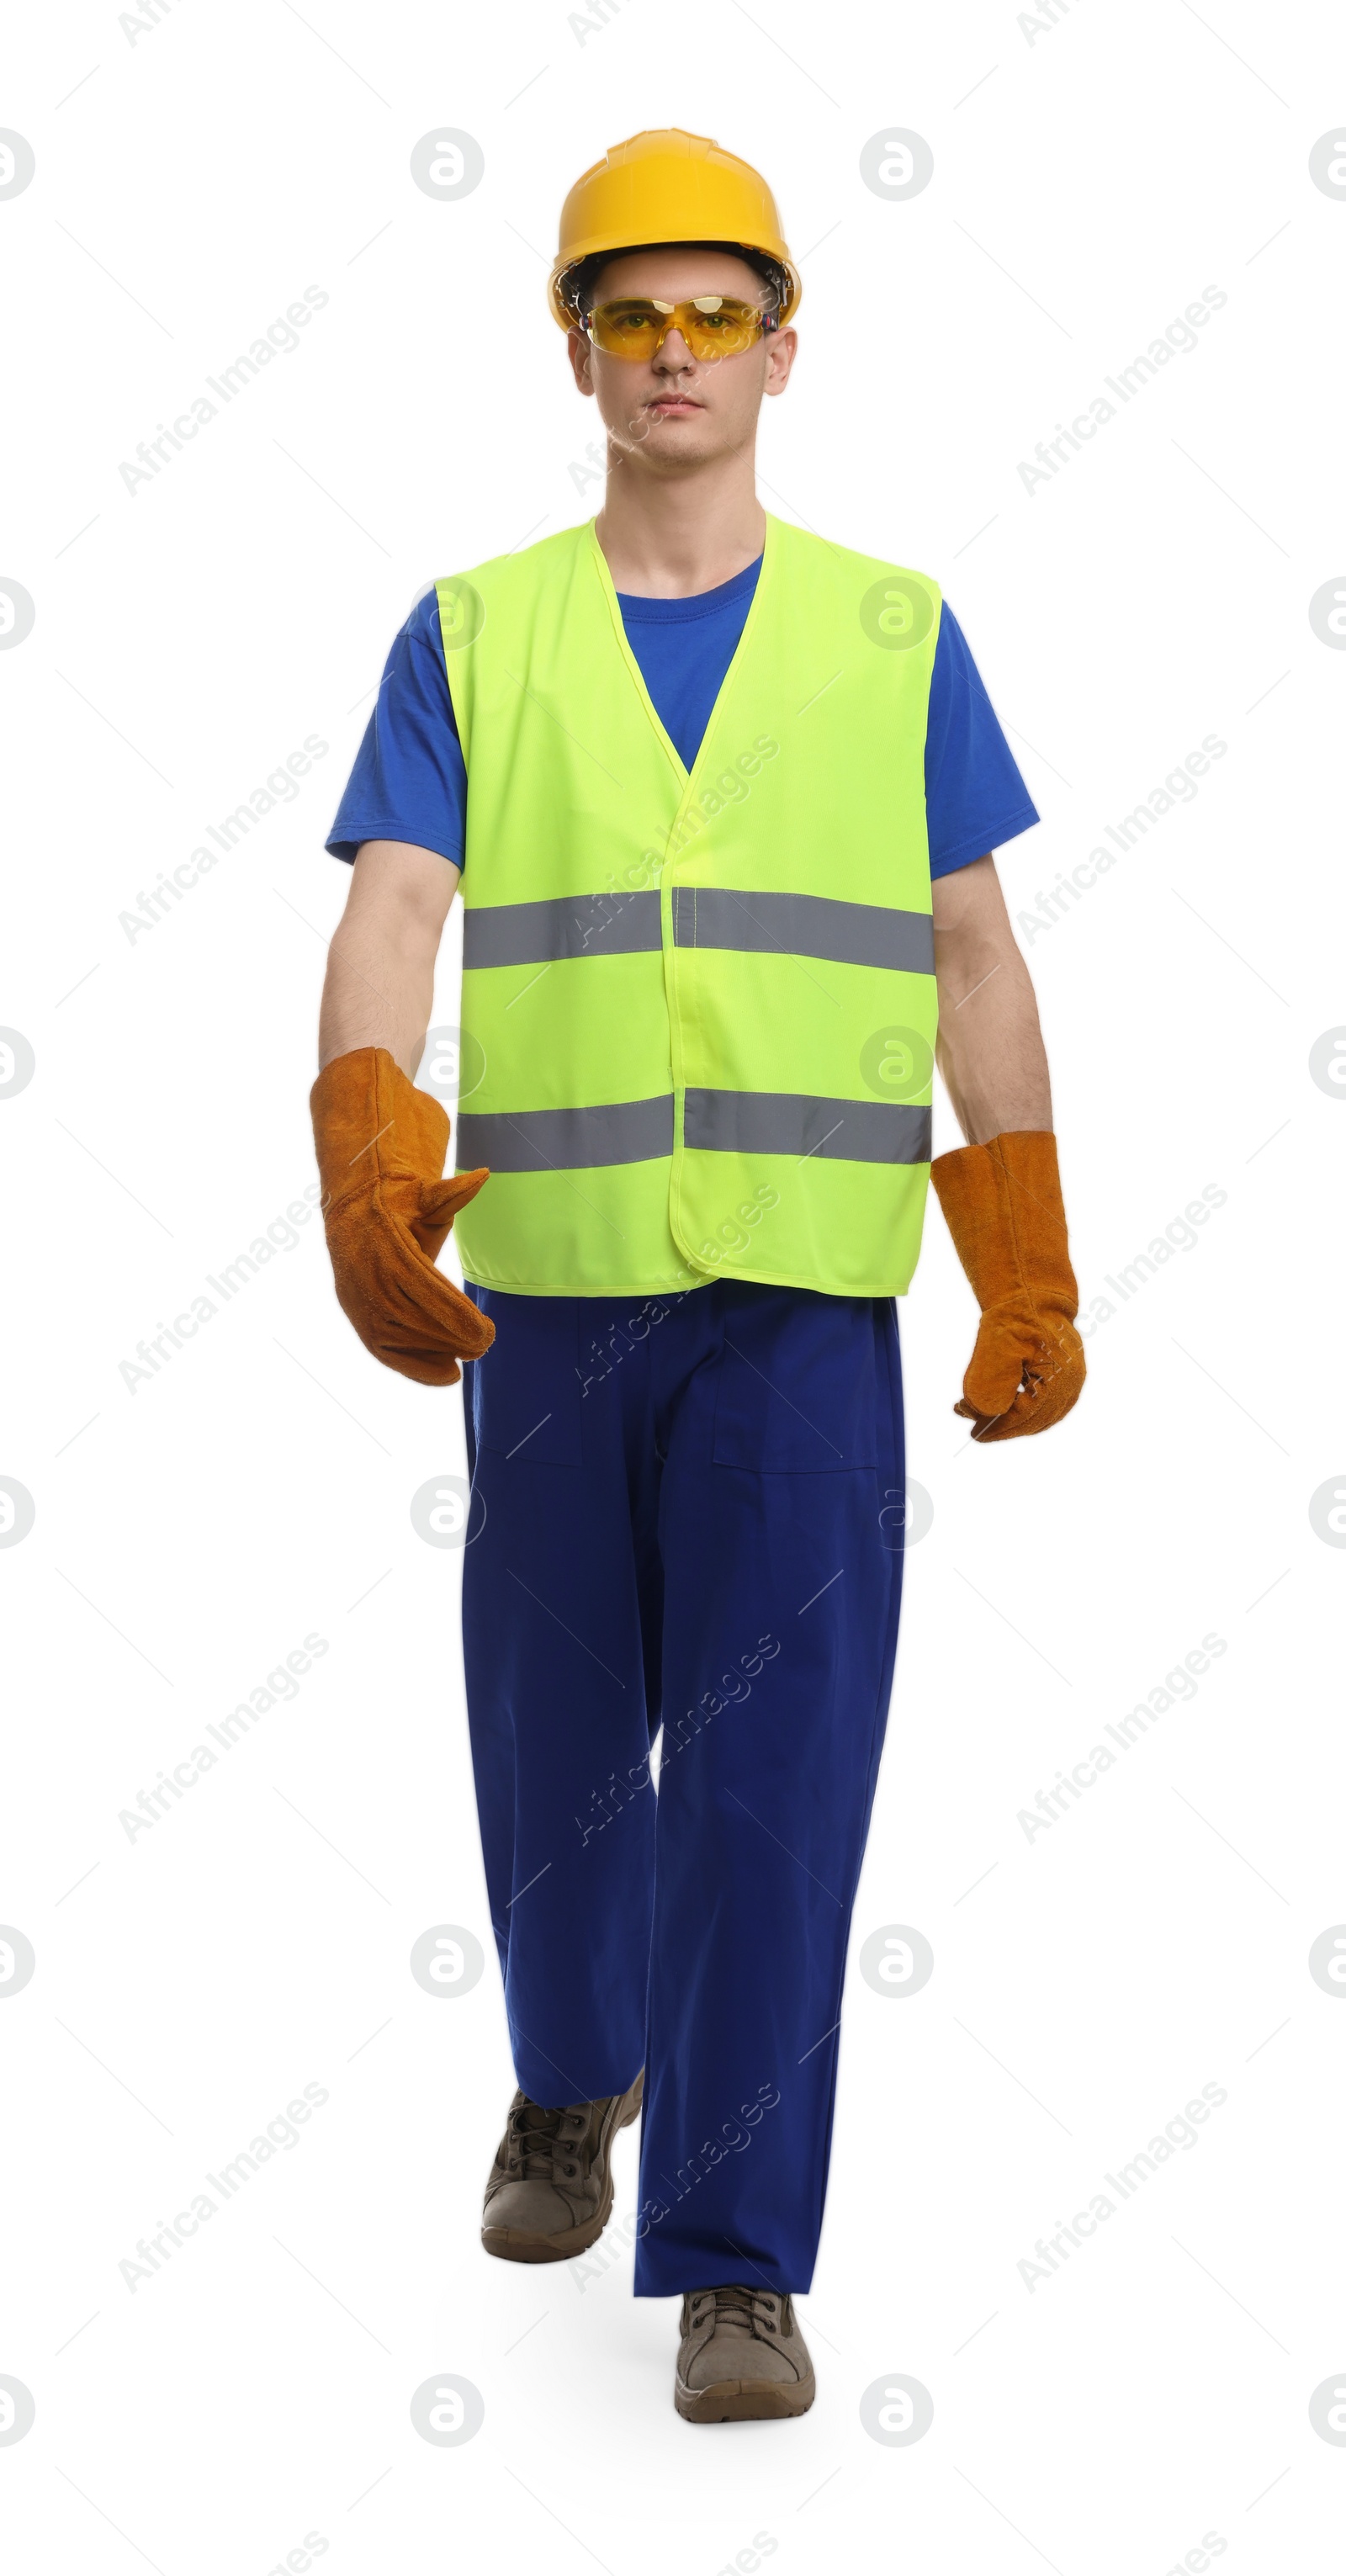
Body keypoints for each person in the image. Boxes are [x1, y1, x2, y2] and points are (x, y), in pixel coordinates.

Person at [310, 128, 1084, 2425]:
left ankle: (736, 2258)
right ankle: (576, 2078)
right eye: (629, 314)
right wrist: (366, 1146)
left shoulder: (890, 628)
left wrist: (1023, 1247)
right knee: (558, 1757)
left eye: (714, 313)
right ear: (575, 347)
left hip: (805, 1306)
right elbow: (388, 906)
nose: (673, 352)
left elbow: (970, 943)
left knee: (775, 1783)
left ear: (781, 348)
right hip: (546, 1294)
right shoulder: (474, 628)